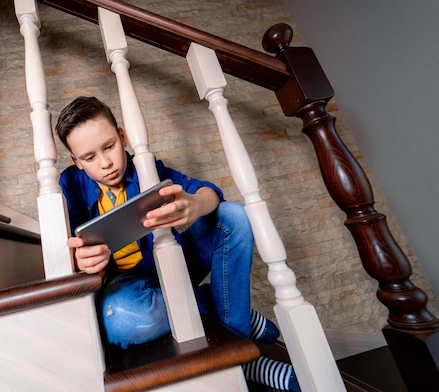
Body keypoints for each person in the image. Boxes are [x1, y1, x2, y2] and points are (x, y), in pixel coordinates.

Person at [56, 96, 300, 392]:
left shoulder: (145, 168)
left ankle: (241, 355)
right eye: (90, 157)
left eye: (109, 147)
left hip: (172, 261)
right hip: (128, 284)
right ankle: (224, 308)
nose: (106, 163)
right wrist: (80, 260)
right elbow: (67, 246)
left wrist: (196, 204)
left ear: (122, 137)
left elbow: (208, 191)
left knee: (234, 215)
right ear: (76, 162)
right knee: (120, 321)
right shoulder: (71, 185)